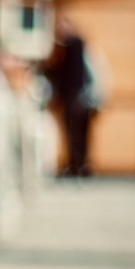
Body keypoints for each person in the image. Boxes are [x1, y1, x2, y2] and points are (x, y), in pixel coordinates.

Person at [44, 15, 99, 177]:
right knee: (79, 134)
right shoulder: (77, 45)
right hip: (81, 97)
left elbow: (70, 74)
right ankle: (80, 165)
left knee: (75, 134)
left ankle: (78, 165)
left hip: (75, 97)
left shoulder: (72, 45)